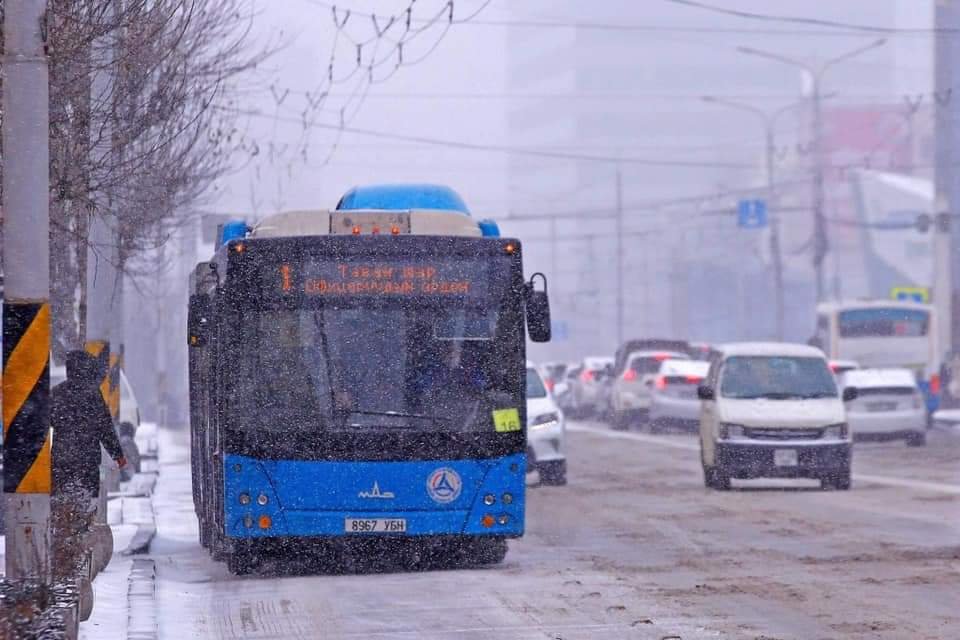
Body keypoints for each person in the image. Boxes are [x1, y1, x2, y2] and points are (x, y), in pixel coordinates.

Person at [50, 350, 126, 579]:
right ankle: (78, 552)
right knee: (84, 509)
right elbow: (105, 428)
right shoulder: (93, 396)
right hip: (86, 463)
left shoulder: (57, 394)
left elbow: (44, 425)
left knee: (61, 507)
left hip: (61, 462)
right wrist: (118, 456)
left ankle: (61, 549)